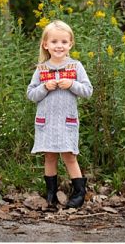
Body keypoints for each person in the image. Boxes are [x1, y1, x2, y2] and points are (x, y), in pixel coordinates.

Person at [26, 20, 92, 209]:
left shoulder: (75, 67)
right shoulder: (42, 69)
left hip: (67, 121)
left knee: (69, 156)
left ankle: (79, 192)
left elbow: (88, 90)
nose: (59, 46)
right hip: (46, 122)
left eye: (64, 42)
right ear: (45, 44)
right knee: (49, 156)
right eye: (54, 42)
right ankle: (51, 193)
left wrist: (72, 85)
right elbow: (31, 94)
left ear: (70, 44)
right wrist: (44, 88)